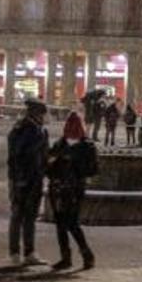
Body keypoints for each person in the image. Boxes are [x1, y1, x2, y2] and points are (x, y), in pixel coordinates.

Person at [46, 112, 97, 271]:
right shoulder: (63, 144)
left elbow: (91, 169)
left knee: (71, 223)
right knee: (62, 224)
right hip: (61, 188)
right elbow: (48, 167)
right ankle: (68, 257)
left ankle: (84, 254)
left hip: (71, 189)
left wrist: (71, 164)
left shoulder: (83, 146)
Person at [7, 99, 50, 266]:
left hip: (33, 177)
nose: (45, 117)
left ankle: (28, 252)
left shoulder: (33, 129)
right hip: (25, 178)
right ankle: (16, 253)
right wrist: (20, 179)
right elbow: (18, 156)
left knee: (30, 216)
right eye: (43, 114)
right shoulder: (27, 130)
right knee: (19, 215)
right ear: (36, 114)